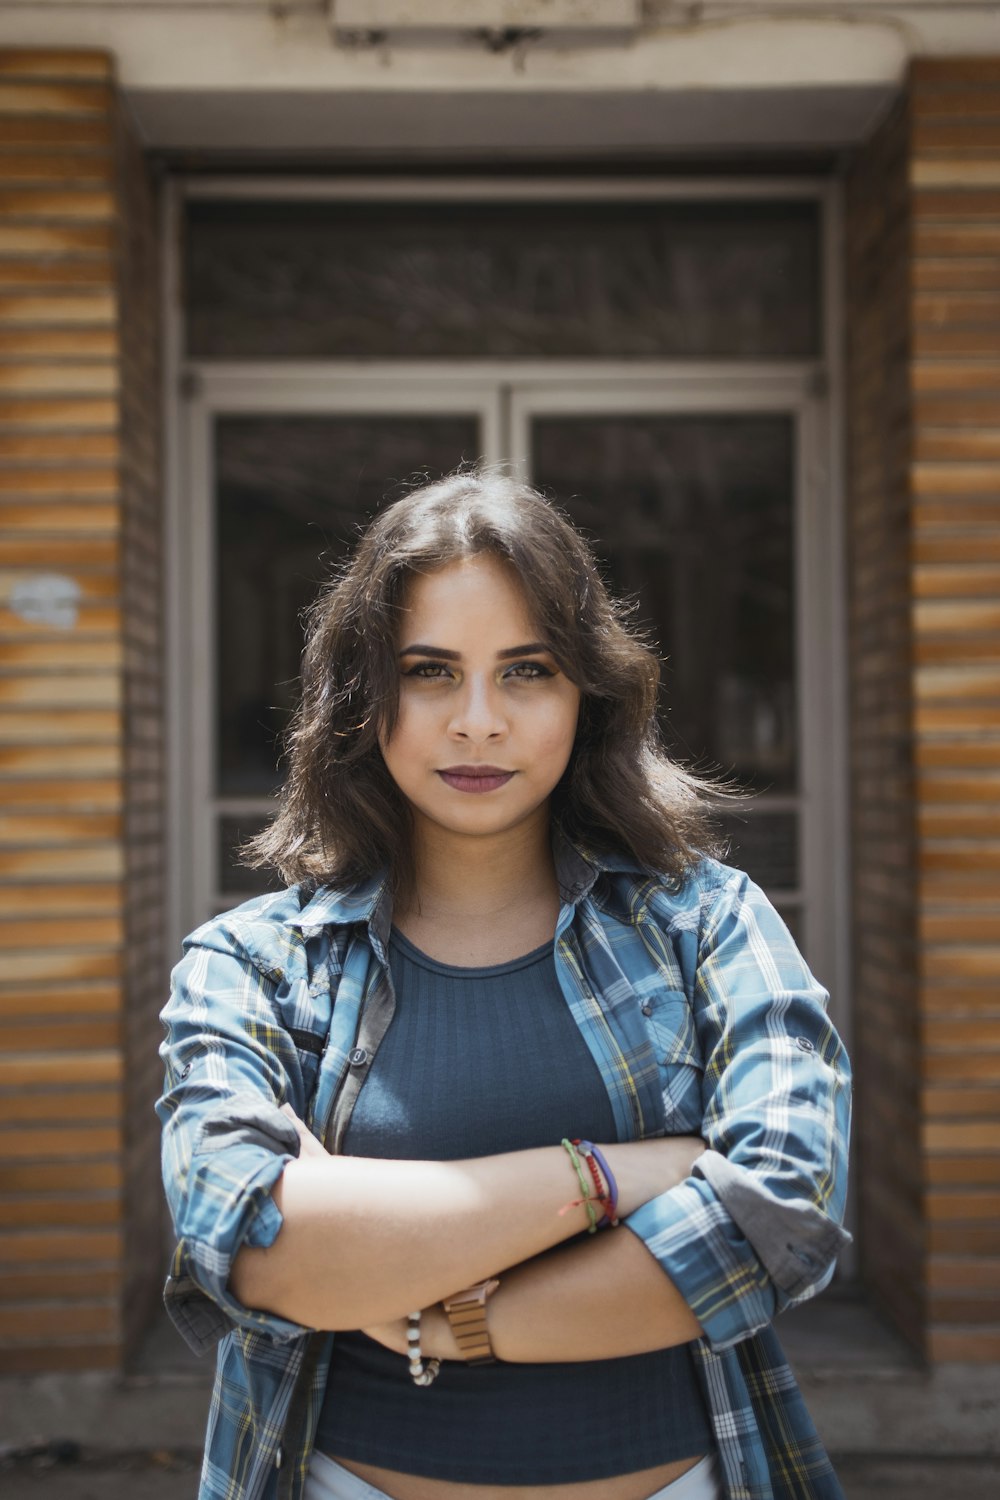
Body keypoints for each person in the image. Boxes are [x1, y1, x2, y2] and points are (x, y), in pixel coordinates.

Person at [158, 468, 852, 1500]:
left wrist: (436, 1315)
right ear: (361, 695)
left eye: (526, 670)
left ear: (589, 692)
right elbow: (258, 1247)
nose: (477, 722)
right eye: (430, 672)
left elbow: (778, 1218)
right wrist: (623, 1175)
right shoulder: (252, 965)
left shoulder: (708, 926)